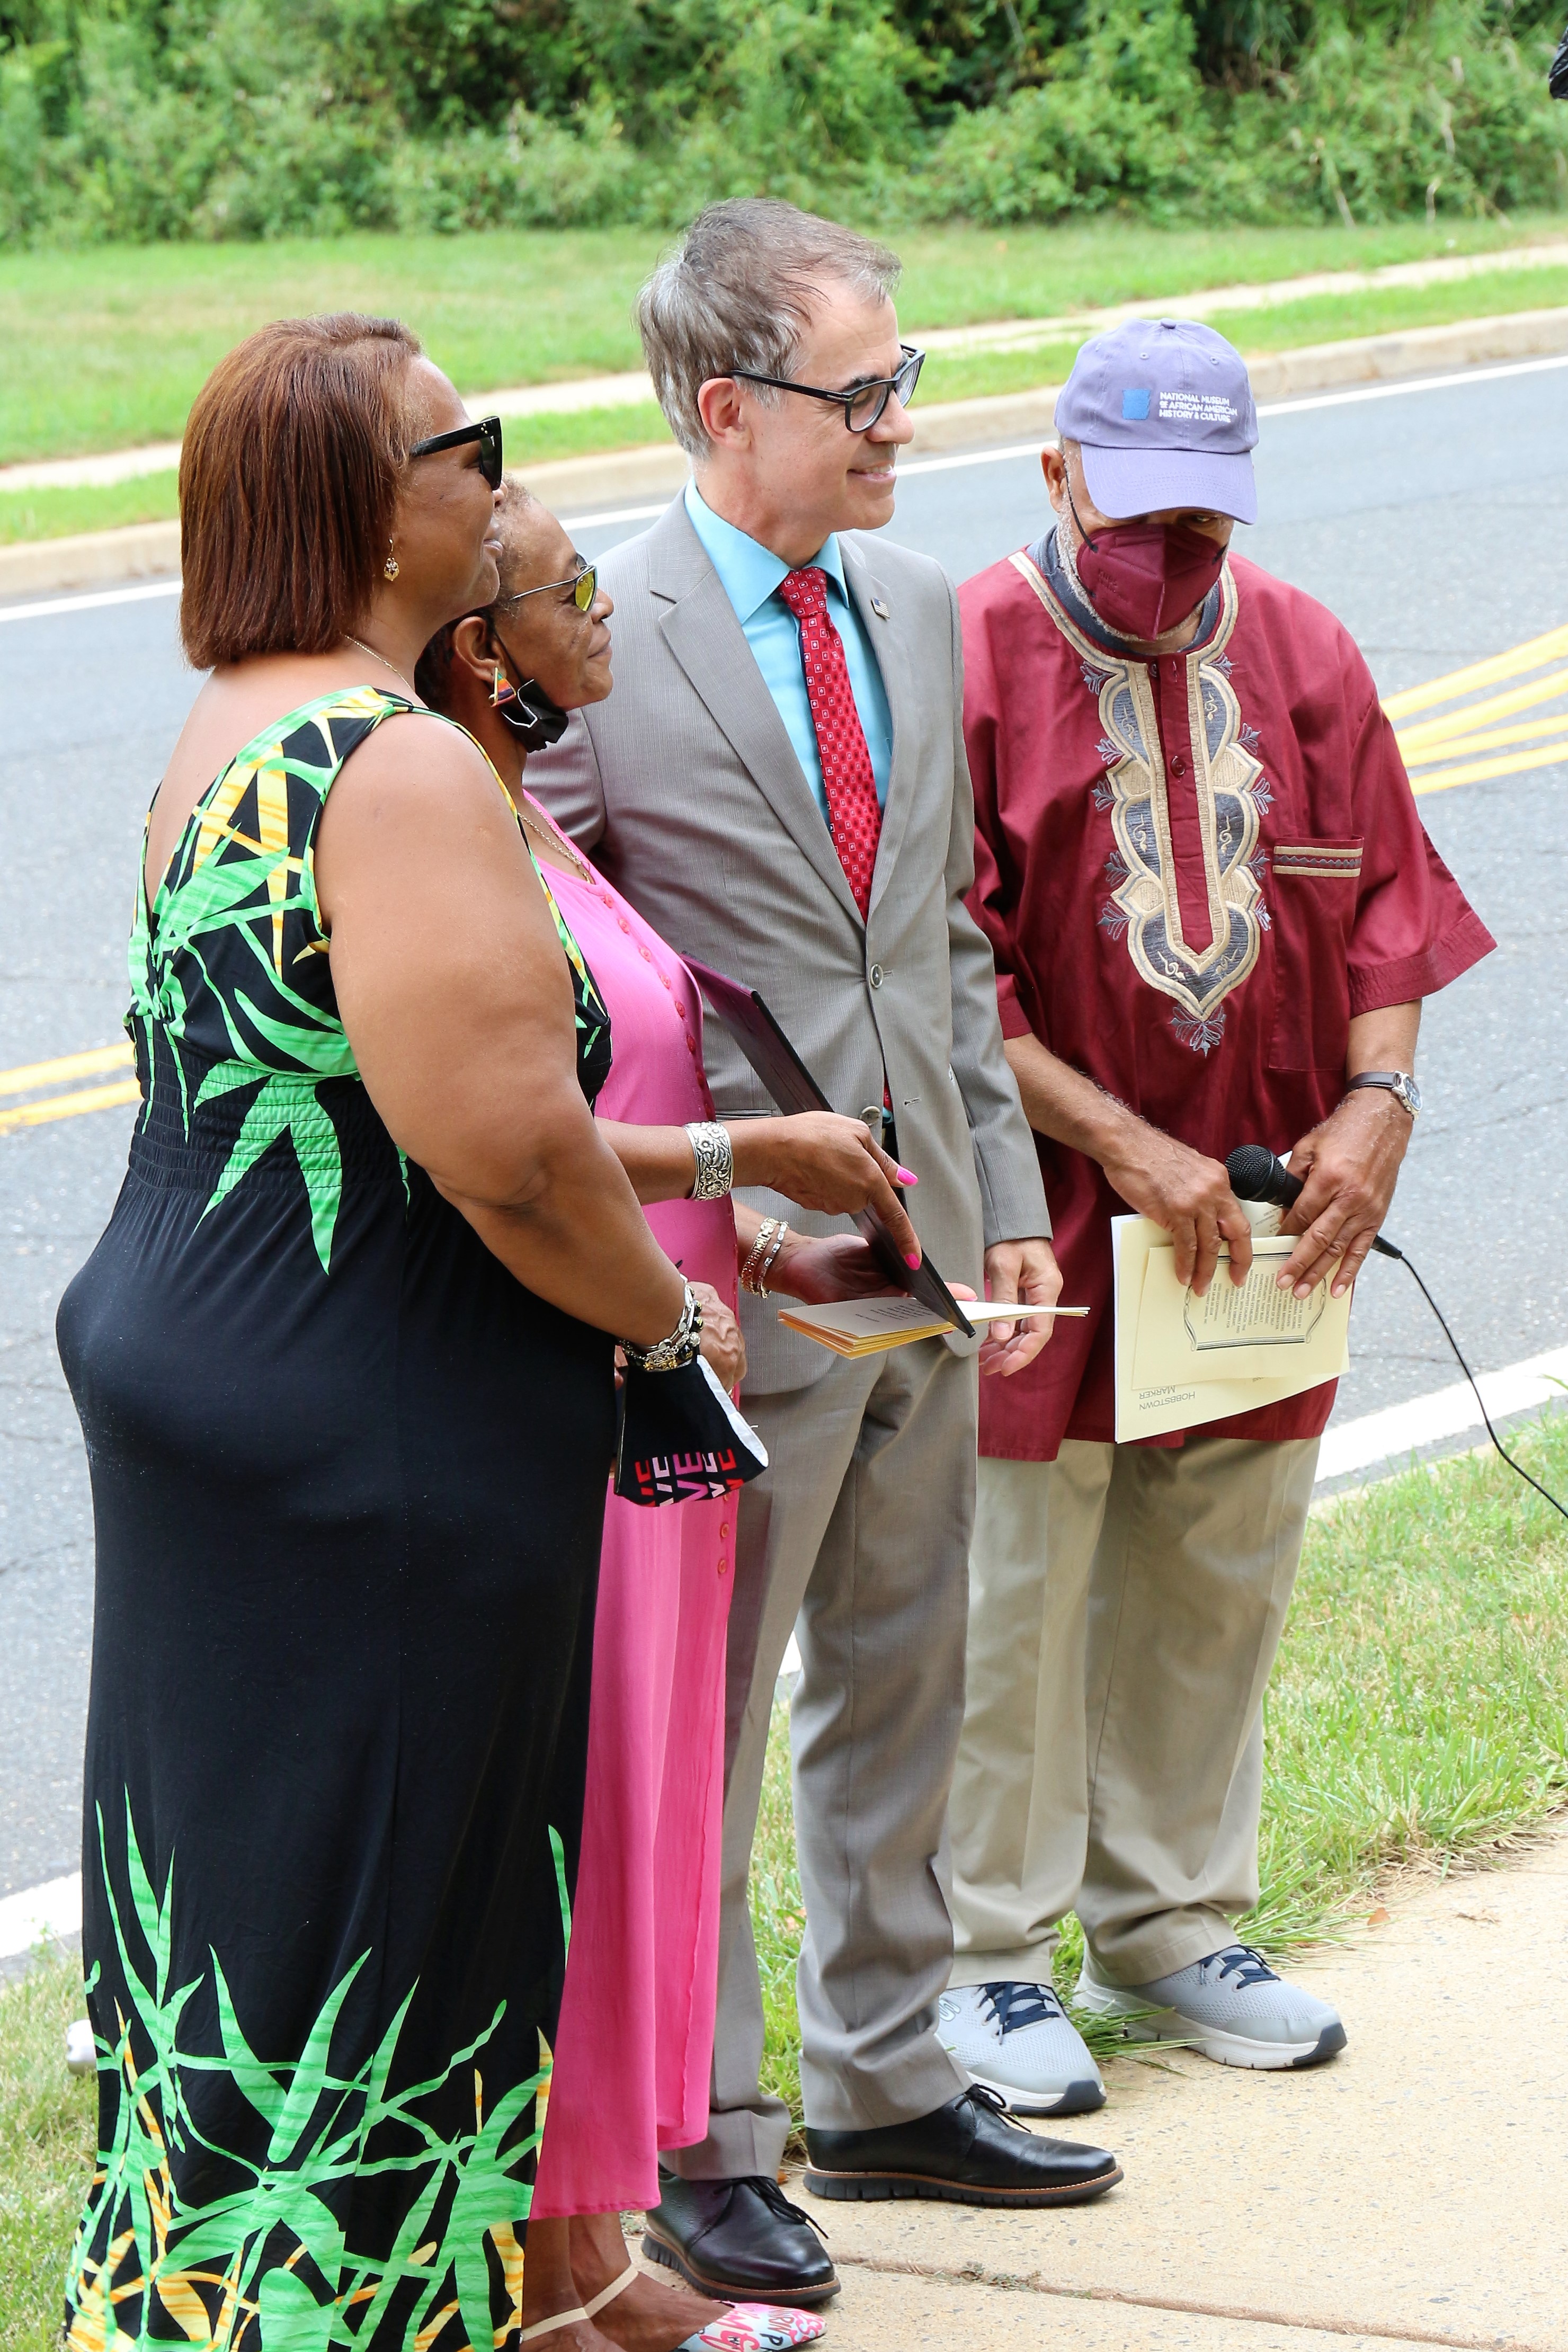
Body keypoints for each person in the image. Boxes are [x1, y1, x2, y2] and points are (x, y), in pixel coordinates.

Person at [55, 313, 712, 2352]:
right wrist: (668, 1307)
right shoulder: (399, 760)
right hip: (382, 1452)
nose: (498, 475)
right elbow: (511, 1154)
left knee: (234, 1954)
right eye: (467, 445)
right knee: (385, 1976)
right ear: (367, 507)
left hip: (217, 1408)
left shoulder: (225, 731)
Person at [529, 198, 1122, 2304]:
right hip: (733, 1279)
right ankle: (697, 2132)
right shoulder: (594, 631)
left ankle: (882, 2081)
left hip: (927, 1253)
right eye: (861, 391)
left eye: (900, 381)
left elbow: (937, 945)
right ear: (726, 407)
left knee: (905, 1676)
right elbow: (558, 976)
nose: (896, 424)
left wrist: (1001, 1210)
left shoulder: (908, 595)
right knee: (703, 1706)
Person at [941, 318, 1495, 2115]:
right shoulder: (964, 654)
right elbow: (946, 967)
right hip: (1039, 1217)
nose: (1175, 559)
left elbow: (1389, 907)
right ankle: (988, 1962)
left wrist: (1377, 1106)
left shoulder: (1309, 649)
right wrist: (1124, 1148)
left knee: (1219, 1561)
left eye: (1207, 525)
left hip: (1264, 1222)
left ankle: (1172, 1923)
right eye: (1141, 517)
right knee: (1011, 1586)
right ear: (1055, 474)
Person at [414, 479, 938, 2352]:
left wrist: (766, 1242)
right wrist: (740, 1161)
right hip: (601, 1371)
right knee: (604, 1819)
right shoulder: (449, 830)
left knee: (641, 1814)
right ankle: (572, 2282)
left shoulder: (521, 821)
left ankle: (600, 2251)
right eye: (571, 596)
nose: (609, 618)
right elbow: (511, 1140)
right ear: (488, 651)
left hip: (681, 1360)